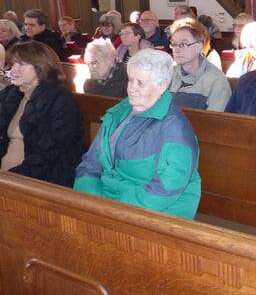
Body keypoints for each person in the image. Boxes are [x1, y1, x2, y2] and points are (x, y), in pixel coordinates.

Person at [74, 49, 201, 220]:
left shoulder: (175, 129)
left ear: (162, 85)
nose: (131, 89)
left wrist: (114, 209)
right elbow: (91, 162)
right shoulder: (118, 113)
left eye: (140, 83)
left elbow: (165, 187)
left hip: (155, 214)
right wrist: (88, 197)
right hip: (108, 202)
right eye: (131, 80)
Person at [0, 41, 85, 187]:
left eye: (21, 64)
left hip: (41, 181)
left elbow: (48, 154)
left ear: (41, 66)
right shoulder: (11, 94)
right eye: (13, 64)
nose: (13, 70)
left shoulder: (61, 101)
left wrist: (11, 178)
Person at [169, 19, 231, 111]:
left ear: (199, 47)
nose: (176, 50)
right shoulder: (169, 74)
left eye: (183, 44)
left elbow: (215, 121)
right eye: (174, 44)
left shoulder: (216, 80)